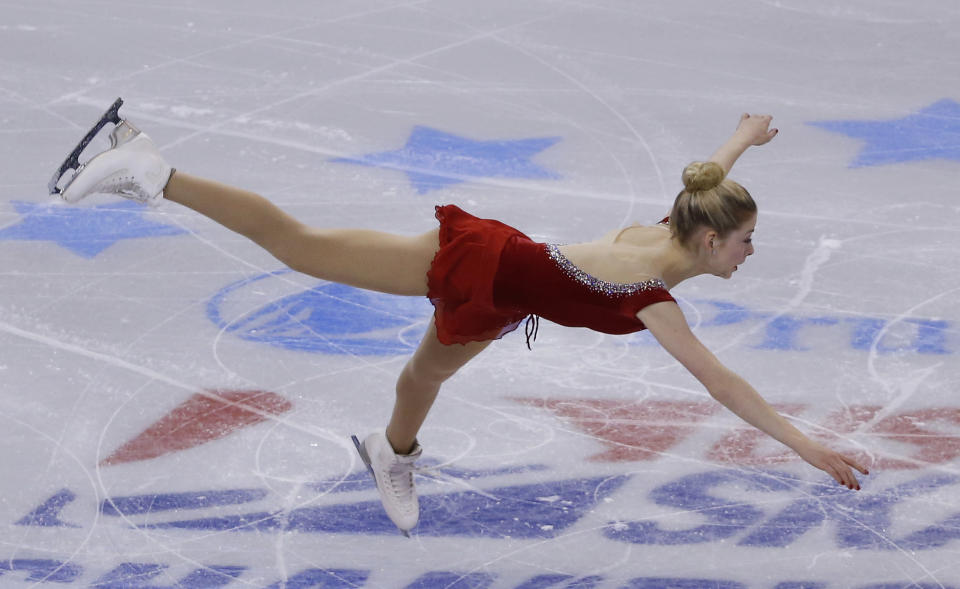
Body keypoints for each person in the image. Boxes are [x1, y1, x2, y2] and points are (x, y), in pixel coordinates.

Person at [51, 106, 869, 536]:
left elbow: (705, 182)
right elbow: (722, 383)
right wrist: (807, 445)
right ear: (709, 239)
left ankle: (389, 451)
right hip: (479, 268)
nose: (753, 252)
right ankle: (154, 169)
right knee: (299, 246)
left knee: (422, 378)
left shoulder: (674, 227)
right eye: (746, 240)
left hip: (501, 297)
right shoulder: (656, 296)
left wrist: (739, 140)